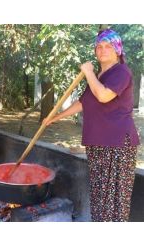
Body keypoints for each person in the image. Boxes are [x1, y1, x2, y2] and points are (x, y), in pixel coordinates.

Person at [43, 29, 140, 222]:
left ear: (117, 50)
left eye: (108, 46)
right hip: (97, 144)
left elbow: (104, 95)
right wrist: (55, 118)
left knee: (114, 201)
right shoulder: (98, 76)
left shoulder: (121, 72)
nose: (102, 50)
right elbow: (83, 103)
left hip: (117, 145)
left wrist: (88, 72)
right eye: (99, 46)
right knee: (100, 196)